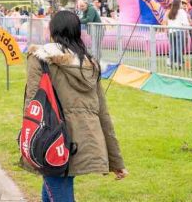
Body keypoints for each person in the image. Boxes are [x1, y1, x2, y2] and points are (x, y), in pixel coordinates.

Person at [24, 11, 127, 202]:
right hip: (84, 139)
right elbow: (103, 113)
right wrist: (116, 160)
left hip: (50, 138)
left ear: (53, 31)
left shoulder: (39, 57)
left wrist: (29, 139)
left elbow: (33, 104)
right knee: (55, 185)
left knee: (57, 185)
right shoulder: (90, 64)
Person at [166, 0, 190, 69]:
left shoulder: (170, 12)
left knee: (172, 48)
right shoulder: (182, 11)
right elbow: (186, 23)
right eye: (181, 3)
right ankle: (178, 64)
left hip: (171, 32)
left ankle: (170, 62)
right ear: (179, 4)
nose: (182, 5)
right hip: (179, 31)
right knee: (179, 48)